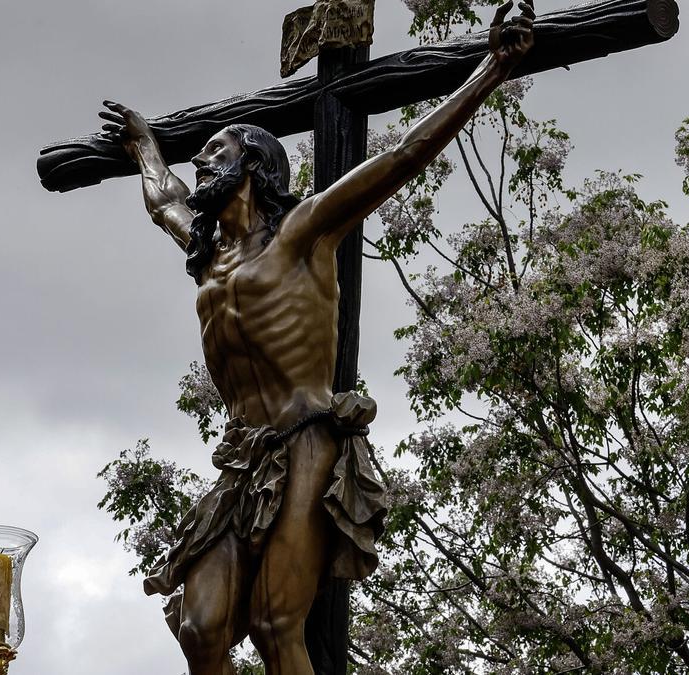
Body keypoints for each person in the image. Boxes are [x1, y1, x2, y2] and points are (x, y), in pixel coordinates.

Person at [98, 2, 535, 672]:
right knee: (200, 623)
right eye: (204, 155)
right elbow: (162, 198)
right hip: (243, 458)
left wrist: (494, 67)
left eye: (220, 153)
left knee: (277, 621)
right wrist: (143, 143)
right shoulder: (207, 251)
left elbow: (402, 156)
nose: (206, 163)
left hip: (307, 441)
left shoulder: (303, 233)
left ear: (257, 167)